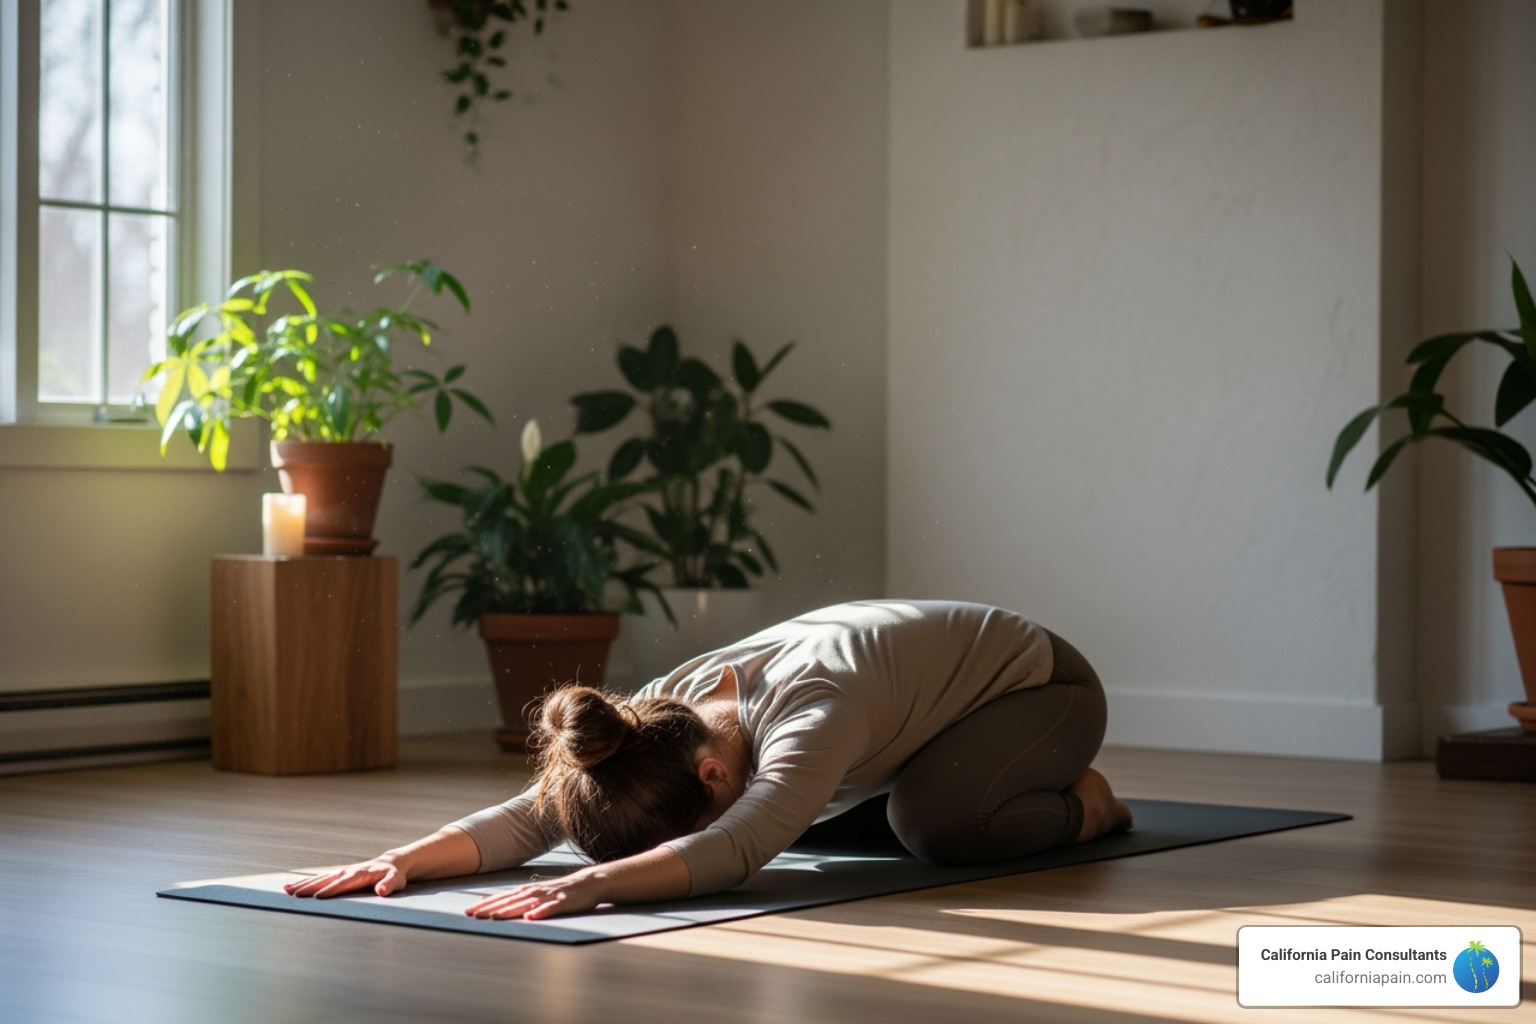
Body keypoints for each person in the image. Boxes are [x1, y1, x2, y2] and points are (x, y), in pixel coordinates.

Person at [284, 600, 1133, 920]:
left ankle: (1089, 803)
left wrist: (594, 884)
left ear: (714, 776)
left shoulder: (809, 714)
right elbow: (532, 814)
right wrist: (402, 860)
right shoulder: (662, 712)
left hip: (1041, 687)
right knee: (827, 833)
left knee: (936, 827)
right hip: (916, 714)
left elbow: (736, 848)